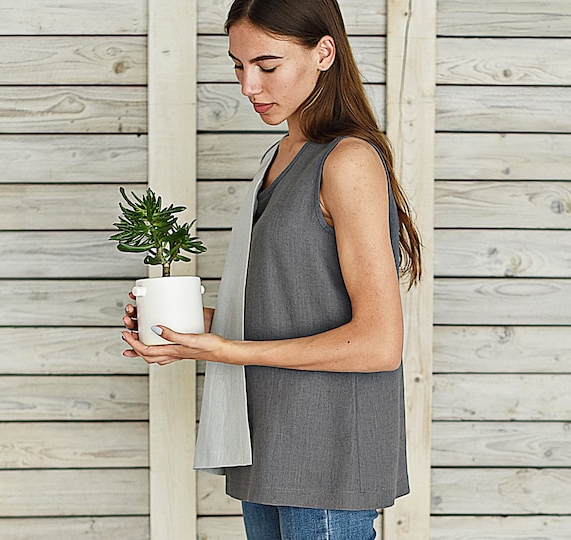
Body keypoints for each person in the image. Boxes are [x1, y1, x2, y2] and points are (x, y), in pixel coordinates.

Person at [121, 0, 422, 537]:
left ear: (324, 52)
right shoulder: (279, 156)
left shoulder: (347, 160)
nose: (248, 86)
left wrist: (226, 350)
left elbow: (379, 344)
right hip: (268, 445)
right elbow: (287, 304)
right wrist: (189, 328)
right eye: (238, 65)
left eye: (267, 65)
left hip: (326, 457)